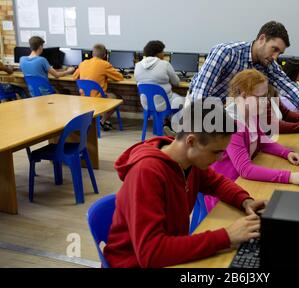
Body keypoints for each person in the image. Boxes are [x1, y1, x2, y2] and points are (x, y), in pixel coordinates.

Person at [103, 98, 266, 268]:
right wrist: (226, 236)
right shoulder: (146, 173)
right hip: (133, 263)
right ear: (191, 141)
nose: (220, 158)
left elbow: (217, 183)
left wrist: (245, 201)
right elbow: (150, 253)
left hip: (168, 252)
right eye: (216, 152)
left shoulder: (189, 162)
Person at [188, 20, 299, 123]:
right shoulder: (226, 52)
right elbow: (200, 95)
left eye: (279, 53)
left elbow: (288, 85)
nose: (275, 57)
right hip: (201, 105)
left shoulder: (268, 63)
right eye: (274, 49)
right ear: (262, 39)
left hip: (226, 109)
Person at [205, 69, 299, 212]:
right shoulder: (232, 125)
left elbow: (262, 141)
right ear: (244, 96)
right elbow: (245, 170)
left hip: (241, 183)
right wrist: (291, 177)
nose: (266, 101)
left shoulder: (251, 113)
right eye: (261, 96)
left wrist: (286, 153)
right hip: (226, 191)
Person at [135, 40, 185, 136]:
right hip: (164, 103)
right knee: (185, 102)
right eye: (162, 51)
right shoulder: (165, 64)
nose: (163, 54)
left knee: (172, 98)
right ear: (158, 53)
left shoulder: (137, 65)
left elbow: (139, 83)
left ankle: (166, 123)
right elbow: (177, 82)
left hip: (146, 104)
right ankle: (175, 129)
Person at [73, 44, 124, 131]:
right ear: (105, 55)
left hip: (84, 97)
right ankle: (102, 121)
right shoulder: (105, 64)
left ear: (92, 54)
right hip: (98, 98)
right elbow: (119, 77)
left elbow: (74, 77)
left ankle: (95, 120)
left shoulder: (83, 63)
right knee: (118, 99)